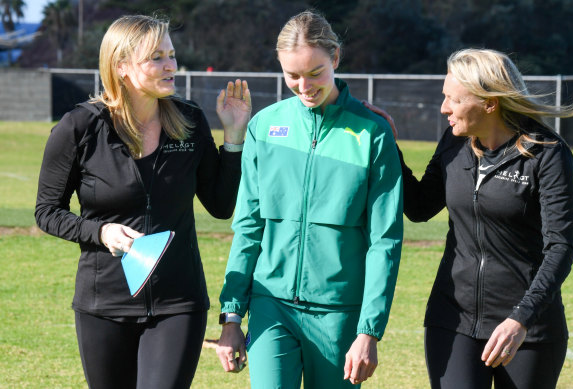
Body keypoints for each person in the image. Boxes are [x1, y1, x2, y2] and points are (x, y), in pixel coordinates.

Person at [35, 15, 251, 389]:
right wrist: (101, 232)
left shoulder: (190, 120)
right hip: (104, 304)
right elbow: (46, 212)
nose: (171, 65)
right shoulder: (80, 127)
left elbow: (220, 204)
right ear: (121, 67)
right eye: (156, 57)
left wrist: (233, 138)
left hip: (178, 303)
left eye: (171, 54)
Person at [365, 48, 573, 389]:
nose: (444, 108)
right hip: (452, 319)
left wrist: (521, 319)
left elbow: (560, 247)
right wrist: (390, 147)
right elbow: (421, 207)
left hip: (528, 328)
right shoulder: (454, 143)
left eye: (453, 99)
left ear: (489, 103)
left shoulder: (548, 154)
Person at [215, 10, 403, 389]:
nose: (304, 85)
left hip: (340, 315)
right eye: (292, 75)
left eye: (315, 72)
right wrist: (232, 316)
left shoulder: (373, 133)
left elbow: (385, 241)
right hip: (271, 306)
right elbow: (248, 226)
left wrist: (369, 330)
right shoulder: (264, 127)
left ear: (335, 59)